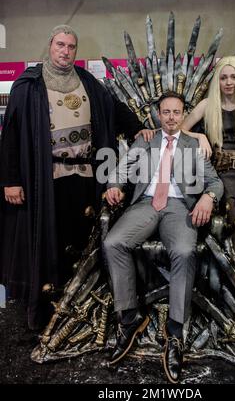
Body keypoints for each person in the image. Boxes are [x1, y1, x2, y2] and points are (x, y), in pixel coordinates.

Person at [0, 25, 152, 330]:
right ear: (50, 46)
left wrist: (137, 126)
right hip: (45, 178)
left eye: (71, 46)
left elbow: (113, 108)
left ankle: (79, 307)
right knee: (49, 242)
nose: (65, 51)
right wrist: (10, 180)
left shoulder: (87, 83)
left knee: (81, 240)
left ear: (75, 51)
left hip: (84, 177)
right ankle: (47, 309)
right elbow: (12, 136)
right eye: (60, 44)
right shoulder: (28, 85)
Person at [103, 91, 223, 383]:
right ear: (158, 114)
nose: (171, 118)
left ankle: (175, 333)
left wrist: (208, 197)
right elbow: (121, 168)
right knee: (113, 242)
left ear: (184, 114)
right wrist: (115, 185)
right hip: (145, 205)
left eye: (176, 112)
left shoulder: (194, 144)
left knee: (184, 250)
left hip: (179, 208)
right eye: (165, 112)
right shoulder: (144, 140)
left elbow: (216, 182)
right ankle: (129, 319)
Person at [181, 56, 235, 303]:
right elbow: (180, 129)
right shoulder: (208, 105)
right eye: (223, 77)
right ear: (217, 80)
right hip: (223, 179)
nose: (228, 82)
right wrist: (200, 138)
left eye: (233, 77)